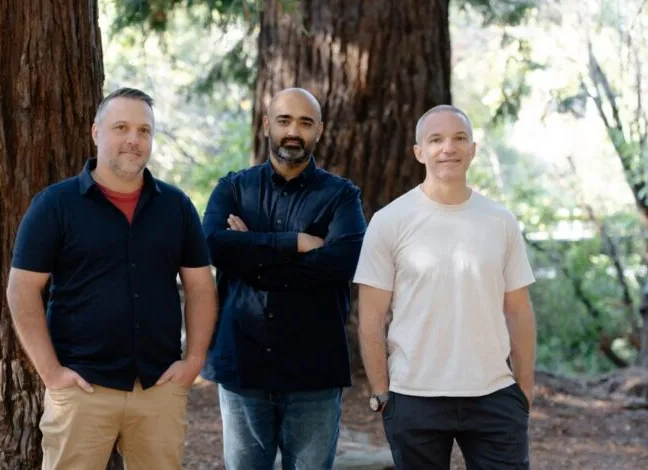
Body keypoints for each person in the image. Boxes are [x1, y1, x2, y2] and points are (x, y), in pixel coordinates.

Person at [6, 87, 217, 470]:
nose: (134, 139)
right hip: (81, 387)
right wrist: (51, 373)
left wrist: (194, 361)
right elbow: (22, 290)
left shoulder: (176, 207)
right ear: (96, 132)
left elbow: (200, 287)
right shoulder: (55, 205)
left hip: (159, 388)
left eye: (144, 131)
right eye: (122, 127)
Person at [354, 104, 536, 469]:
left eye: (459, 138)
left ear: (473, 149)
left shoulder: (500, 221)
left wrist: (524, 393)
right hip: (413, 397)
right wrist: (382, 394)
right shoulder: (389, 221)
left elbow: (519, 311)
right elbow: (370, 317)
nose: (448, 148)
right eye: (435, 139)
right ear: (419, 151)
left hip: (494, 395)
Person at [201, 87, 367, 470]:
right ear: (266, 126)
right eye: (284, 120)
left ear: (319, 130)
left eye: (305, 123)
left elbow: (343, 263)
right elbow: (211, 246)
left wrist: (250, 252)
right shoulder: (233, 188)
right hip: (243, 366)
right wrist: (294, 243)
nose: (294, 131)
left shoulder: (342, 196)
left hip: (314, 370)